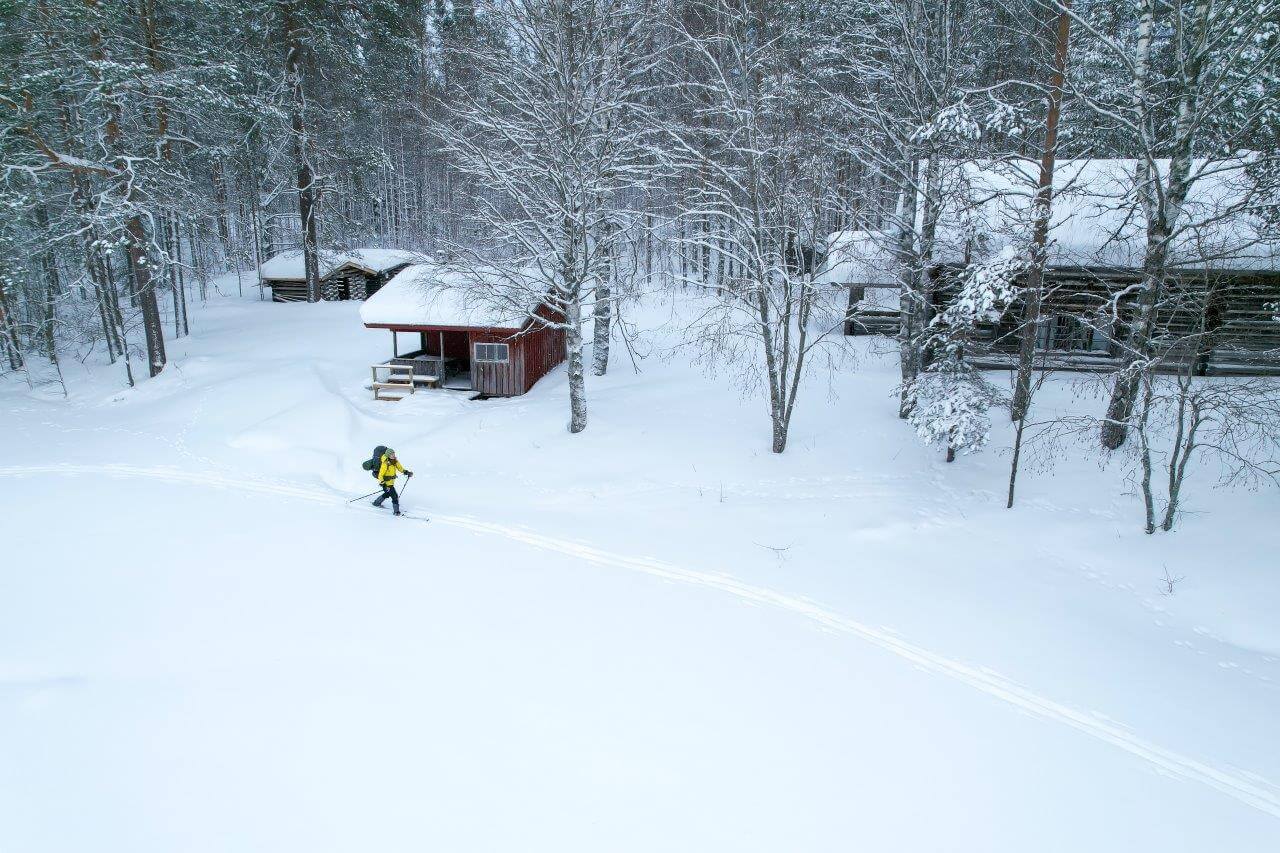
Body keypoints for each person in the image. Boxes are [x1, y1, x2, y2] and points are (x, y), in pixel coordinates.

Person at [372, 448, 413, 515]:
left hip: (391, 483)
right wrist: (383, 485)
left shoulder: (395, 461)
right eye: (391, 454)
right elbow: (380, 475)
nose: (393, 455)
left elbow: (400, 468)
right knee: (395, 496)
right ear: (388, 455)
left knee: (387, 494)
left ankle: (376, 503)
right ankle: (396, 512)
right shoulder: (385, 463)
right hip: (386, 483)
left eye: (394, 453)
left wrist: (407, 472)